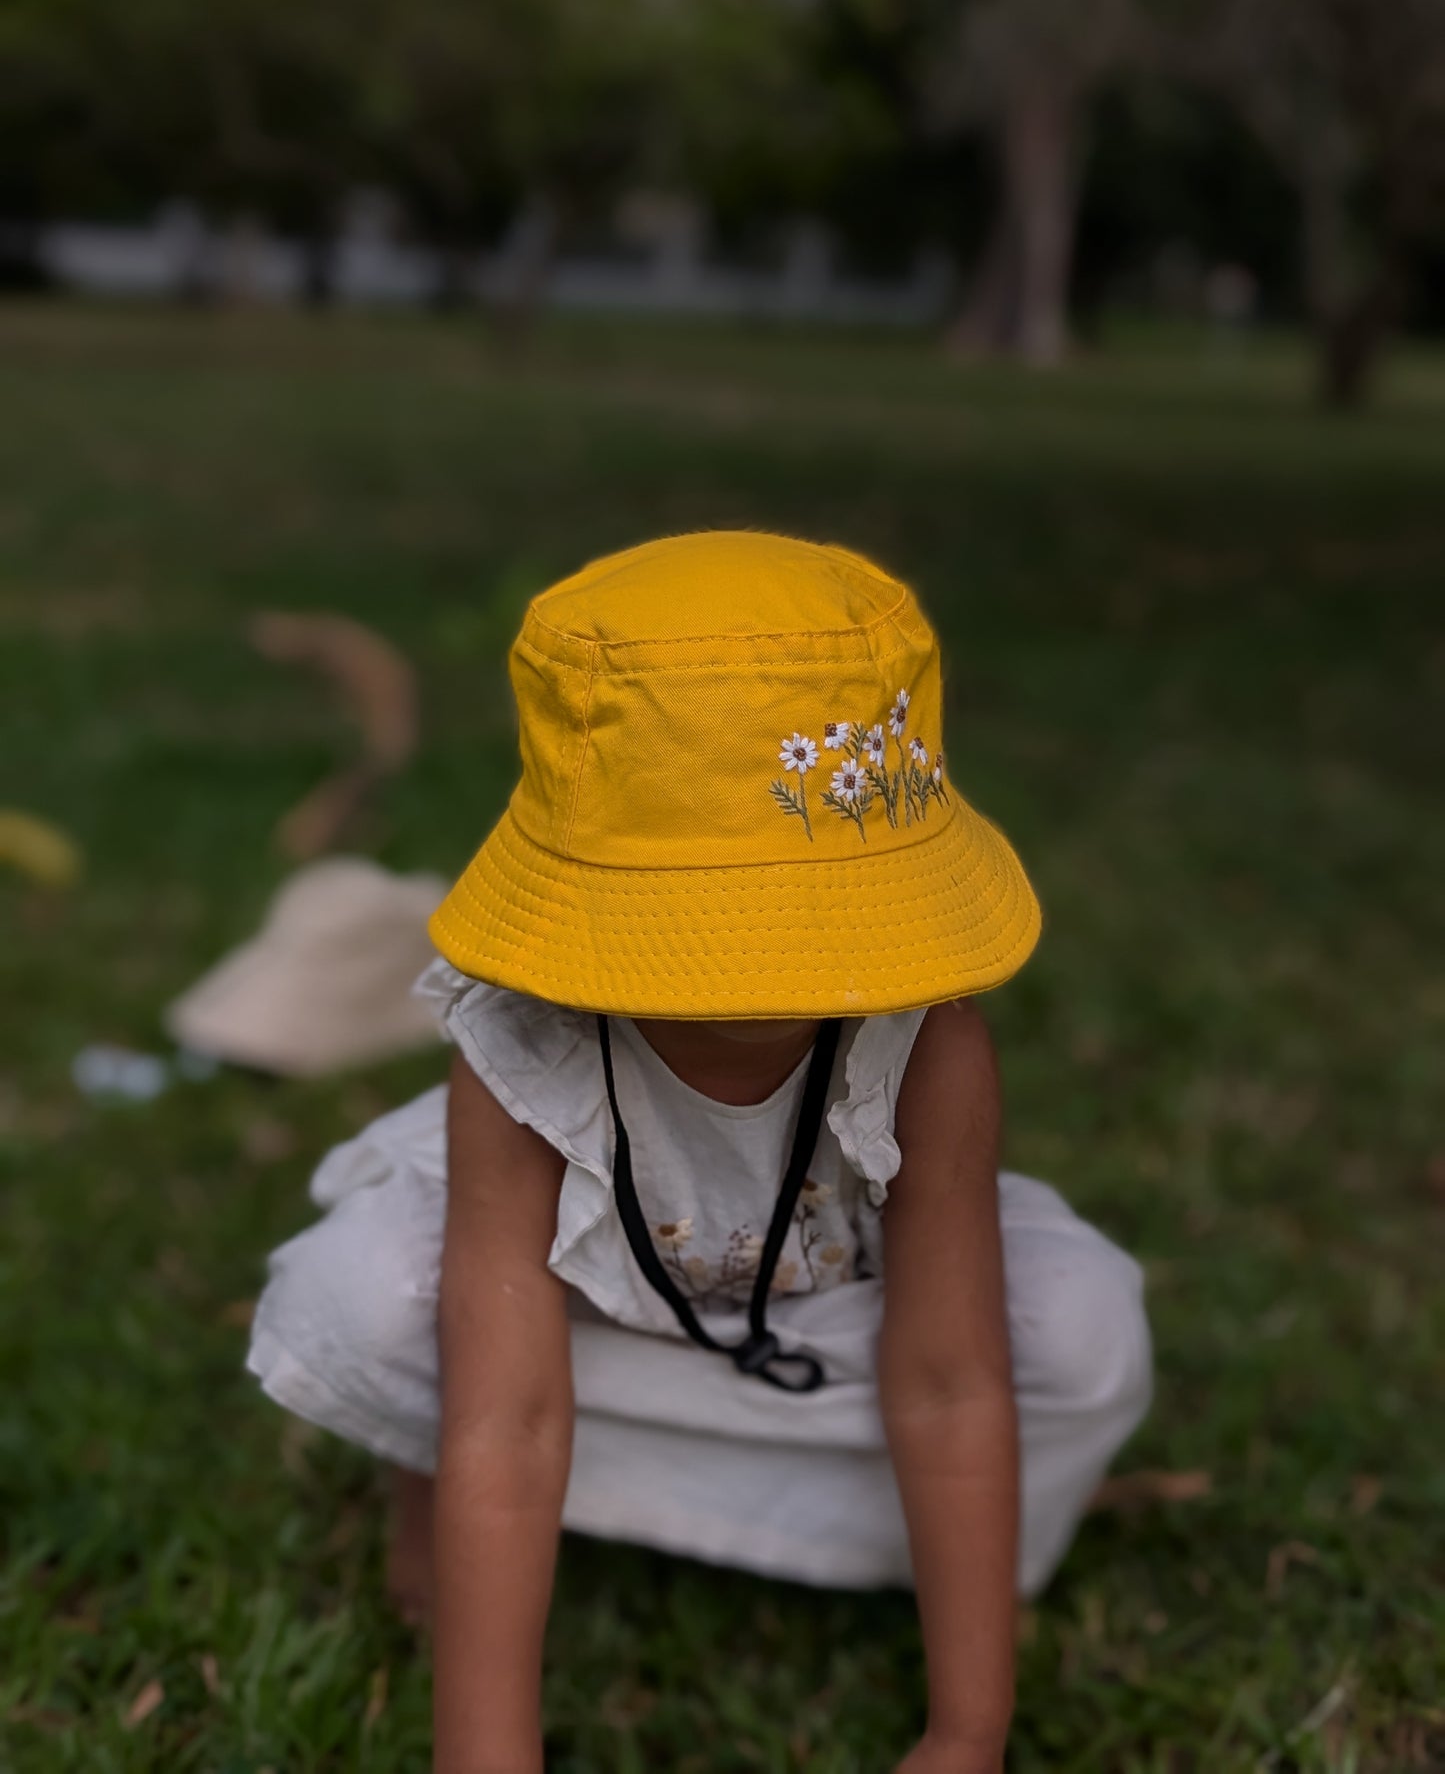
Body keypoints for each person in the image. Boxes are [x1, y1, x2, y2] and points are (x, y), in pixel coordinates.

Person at [248, 531, 1153, 1774]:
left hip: (823, 1312)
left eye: (798, 909)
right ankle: (443, 1501)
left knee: (1081, 1327)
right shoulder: (520, 1043)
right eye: (719, 914)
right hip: (571, 1332)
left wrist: (966, 1731)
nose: (760, 965)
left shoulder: (930, 1042)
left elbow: (948, 1375)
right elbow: (505, 1413)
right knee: (357, 1298)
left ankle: (846, 1538)